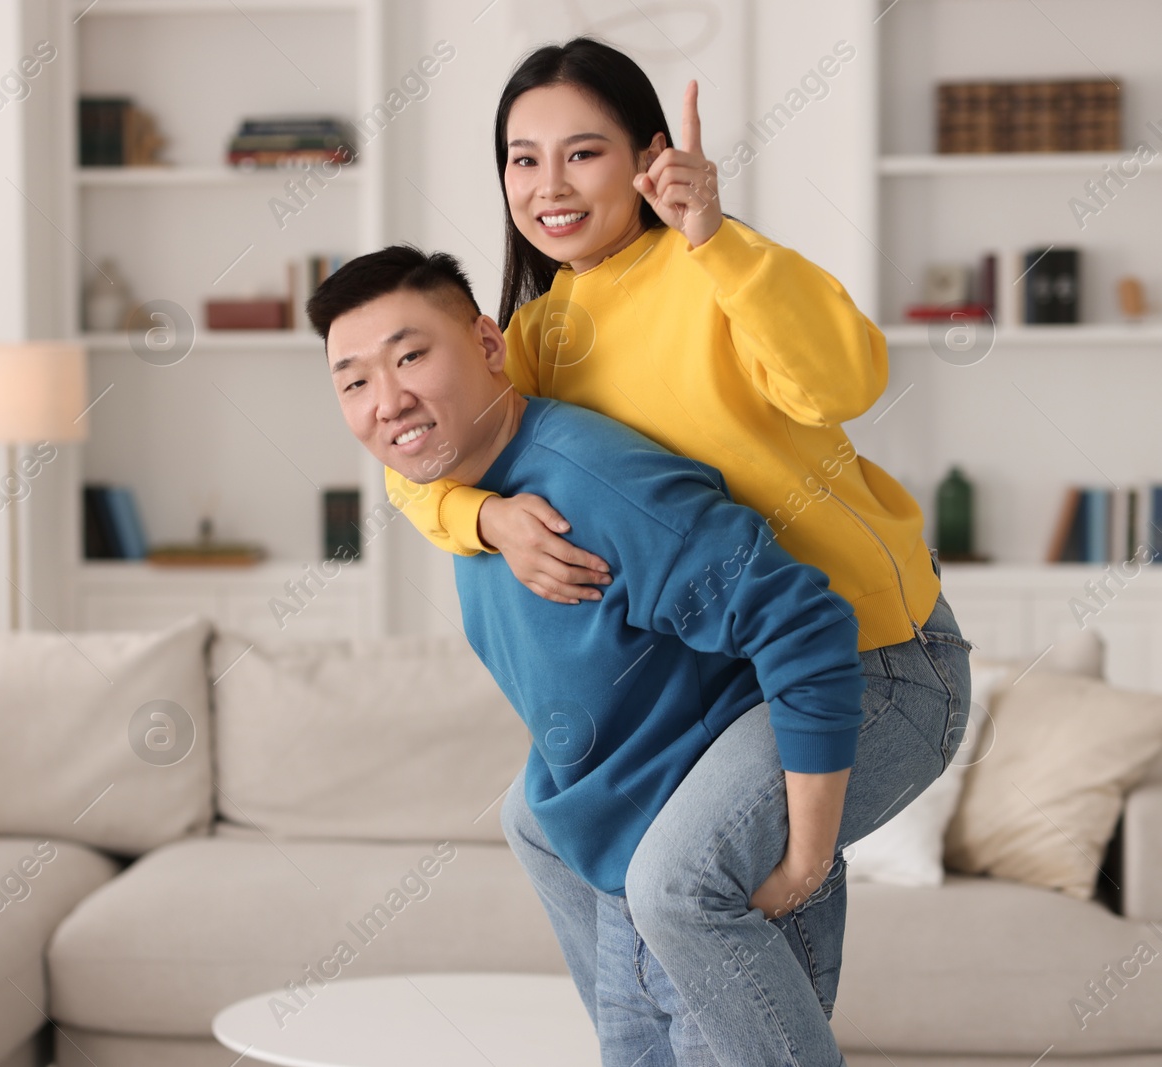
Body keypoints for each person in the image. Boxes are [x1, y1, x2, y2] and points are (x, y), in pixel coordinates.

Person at [377, 36, 974, 1064]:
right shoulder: (535, 335)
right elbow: (410, 444)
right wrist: (483, 518)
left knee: (675, 884)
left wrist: (717, 234)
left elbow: (846, 380)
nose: (547, 186)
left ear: (648, 157)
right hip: (717, 691)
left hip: (873, 657)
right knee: (537, 818)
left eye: (582, 153)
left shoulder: (712, 270)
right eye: (522, 158)